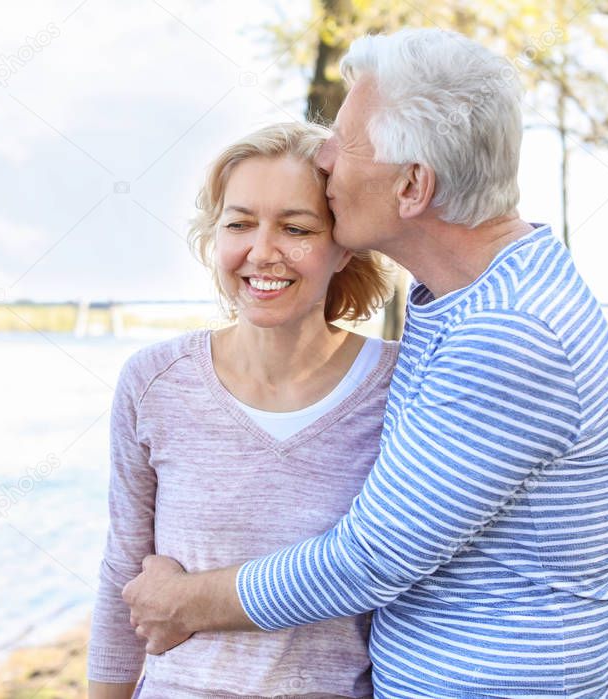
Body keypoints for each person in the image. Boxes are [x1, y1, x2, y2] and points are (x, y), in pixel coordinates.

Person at [122, 29, 608, 698]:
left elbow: (370, 558)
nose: (324, 157)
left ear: (412, 185)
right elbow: (500, 520)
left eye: (346, 142)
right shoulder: (462, 297)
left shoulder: (509, 330)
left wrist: (180, 603)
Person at [88, 121, 396, 697]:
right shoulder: (153, 381)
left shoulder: (404, 384)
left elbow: (482, 547)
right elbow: (121, 574)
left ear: (343, 244)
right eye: (239, 223)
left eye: (296, 228)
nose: (262, 252)